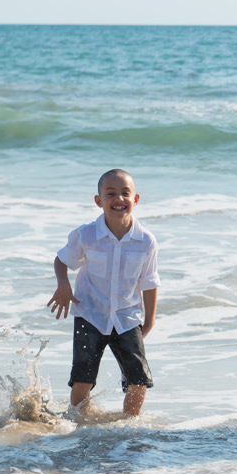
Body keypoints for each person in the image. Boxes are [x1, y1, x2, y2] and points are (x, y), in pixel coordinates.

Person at [47, 169, 159, 418]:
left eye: (125, 193)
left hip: (127, 318)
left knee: (138, 381)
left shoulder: (146, 241)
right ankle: (77, 424)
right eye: (111, 194)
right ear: (99, 201)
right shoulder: (86, 235)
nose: (118, 199)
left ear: (136, 199)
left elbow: (149, 282)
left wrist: (150, 320)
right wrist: (63, 284)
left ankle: (129, 426)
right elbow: (61, 260)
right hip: (90, 315)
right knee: (83, 379)